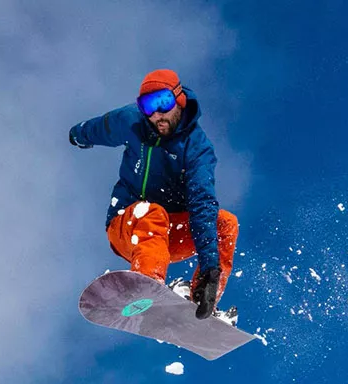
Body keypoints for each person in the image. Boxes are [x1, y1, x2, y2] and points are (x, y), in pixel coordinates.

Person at [69, 69, 238, 319]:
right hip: (128, 226)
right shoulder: (132, 121)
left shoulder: (198, 149)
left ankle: (202, 299)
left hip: (167, 236)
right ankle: (146, 285)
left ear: (179, 99)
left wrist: (210, 267)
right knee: (152, 212)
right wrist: (77, 135)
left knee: (225, 224)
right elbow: (99, 128)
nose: (156, 114)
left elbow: (202, 203)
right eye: (148, 107)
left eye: (162, 103)